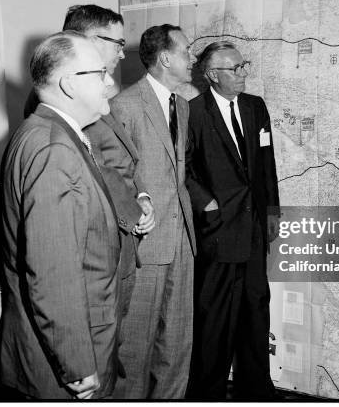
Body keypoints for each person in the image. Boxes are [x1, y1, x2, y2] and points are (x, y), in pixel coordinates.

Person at [0, 5, 155, 343]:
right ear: (86, 41)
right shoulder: (54, 114)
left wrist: (141, 196)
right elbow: (15, 211)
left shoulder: (95, 99)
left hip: (114, 255)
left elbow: (121, 163)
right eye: (117, 43)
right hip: (86, 271)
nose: (121, 55)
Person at [0, 31, 120, 399]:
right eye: (101, 73)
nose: (111, 81)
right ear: (69, 84)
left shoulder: (48, 134)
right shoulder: (54, 148)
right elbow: (53, 270)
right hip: (69, 357)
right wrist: (77, 362)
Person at [185, 41, 279, 399]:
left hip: (255, 230)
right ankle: (206, 394)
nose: (243, 74)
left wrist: (272, 213)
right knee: (215, 321)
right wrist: (206, 204)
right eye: (235, 69)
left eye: (244, 66)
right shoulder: (193, 113)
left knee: (256, 310)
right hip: (218, 234)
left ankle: (257, 392)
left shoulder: (255, 107)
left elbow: (266, 164)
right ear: (212, 75)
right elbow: (184, 169)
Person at [110, 24, 197, 399]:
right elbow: (114, 173)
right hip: (146, 242)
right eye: (186, 50)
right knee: (135, 346)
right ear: (165, 58)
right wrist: (140, 203)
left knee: (177, 343)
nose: (191, 57)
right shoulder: (124, 105)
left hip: (183, 241)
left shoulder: (183, 105)